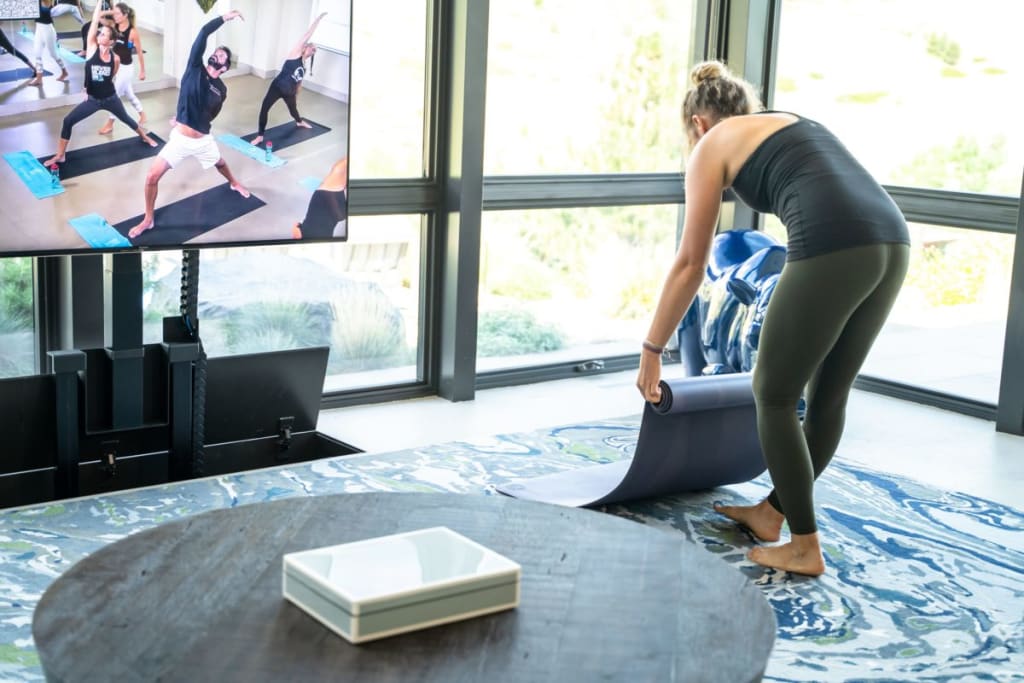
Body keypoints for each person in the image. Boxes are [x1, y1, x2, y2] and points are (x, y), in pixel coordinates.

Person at [635, 60, 910, 577]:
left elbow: (692, 263)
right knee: (828, 396)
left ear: (697, 123)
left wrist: (652, 349)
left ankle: (804, 546)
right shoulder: (786, 121)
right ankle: (770, 515)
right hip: (893, 243)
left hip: (834, 246)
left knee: (774, 393)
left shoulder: (711, 145)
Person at [128, 9, 248, 239]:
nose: (217, 55)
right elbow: (203, 32)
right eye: (216, 52)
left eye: (222, 56)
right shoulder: (195, 67)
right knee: (152, 177)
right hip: (181, 139)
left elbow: (211, 113)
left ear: (225, 67)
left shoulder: (221, 89)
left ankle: (234, 183)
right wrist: (225, 18)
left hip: (203, 139)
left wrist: (185, 116)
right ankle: (148, 219)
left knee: (220, 162)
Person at [42, 0, 156, 166]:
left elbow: (111, 77)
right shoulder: (92, 48)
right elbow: (95, 21)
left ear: (110, 41)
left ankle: (145, 137)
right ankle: (60, 155)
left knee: (126, 119)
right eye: (100, 33)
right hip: (93, 100)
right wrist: (100, 1)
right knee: (68, 121)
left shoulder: (115, 59)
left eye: (103, 34)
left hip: (110, 98)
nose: (99, 35)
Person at [250, 12, 326, 148]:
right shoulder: (295, 54)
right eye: (312, 48)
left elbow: (299, 82)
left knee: (293, 110)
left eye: (315, 51)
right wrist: (318, 20)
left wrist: (296, 94)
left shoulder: (304, 66)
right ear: (305, 47)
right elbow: (307, 34)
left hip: (289, 92)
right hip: (277, 87)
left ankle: (299, 121)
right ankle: (260, 136)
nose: (313, 51)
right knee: (265, 108)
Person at [97, 2, 145, 134]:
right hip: (116, 66)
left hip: (126, 68)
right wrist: (111, 12)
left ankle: (110, 124)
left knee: (114, 95)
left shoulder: (132, 32)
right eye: (114, 14)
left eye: (118, 14)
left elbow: (139, 52)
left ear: (125, 15)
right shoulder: (114, 26)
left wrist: (142, 71)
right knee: (129, 94)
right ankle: (142, 113)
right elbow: (99, 17)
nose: (115, 16)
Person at [292, 156, 347, 240]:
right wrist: (296, 229)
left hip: (331, 220)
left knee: (341, 173)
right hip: (325, 202)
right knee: (339, 169)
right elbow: (296, 231)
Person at [29, 0, 70, 85]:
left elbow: (46, 6)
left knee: (53, 54)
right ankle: (39, 78)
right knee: (37, 53)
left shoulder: (47, 1)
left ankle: (64, 71)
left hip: (48, 30)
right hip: (39, 28)